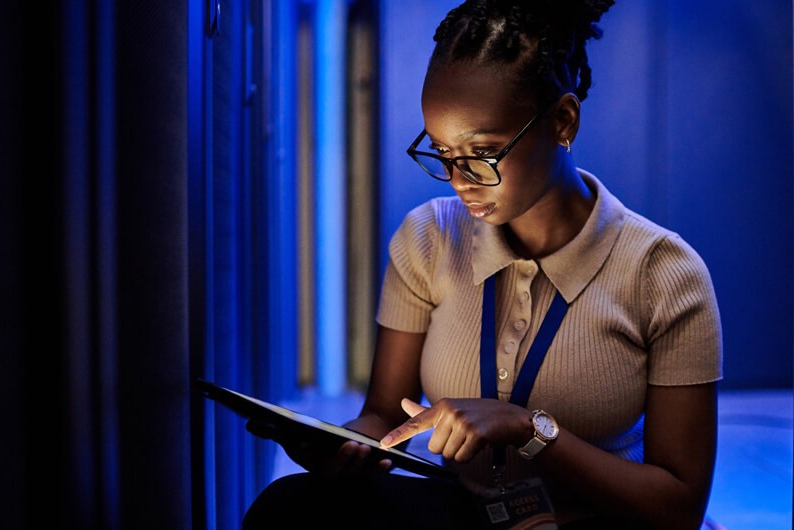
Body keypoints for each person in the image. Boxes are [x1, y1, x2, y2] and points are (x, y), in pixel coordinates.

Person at [243, 1, 723, 528]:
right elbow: (385, 413)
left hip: (593, 520)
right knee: (288, 507)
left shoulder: (665, 273)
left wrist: (528, 429)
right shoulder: (428, 237)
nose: (457, 178)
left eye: (483, 152)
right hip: (470, 510)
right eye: (442, 151)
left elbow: (678, 508)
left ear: (563, 121)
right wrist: (349, 446)